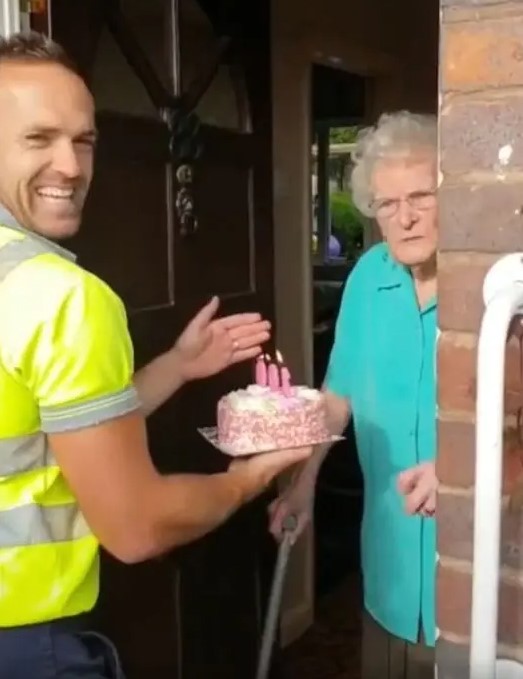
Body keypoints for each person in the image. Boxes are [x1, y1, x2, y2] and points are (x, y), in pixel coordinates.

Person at [0, 32, 312, 679]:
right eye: (39, 138)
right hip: (26, 644)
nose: (71, 165)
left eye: (84, 140)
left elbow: (39, 430)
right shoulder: (61, 297)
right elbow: (137, 528)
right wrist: (247, 477)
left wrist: (176, 363)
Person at [270, 110, 438, 678]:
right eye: (388, 204)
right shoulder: (368, 277)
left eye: (422, 196)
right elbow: (336, 394)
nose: (406, 218)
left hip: (470, 584)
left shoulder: (496, 285)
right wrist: (303, 485)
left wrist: (461, 469)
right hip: (388, 568)